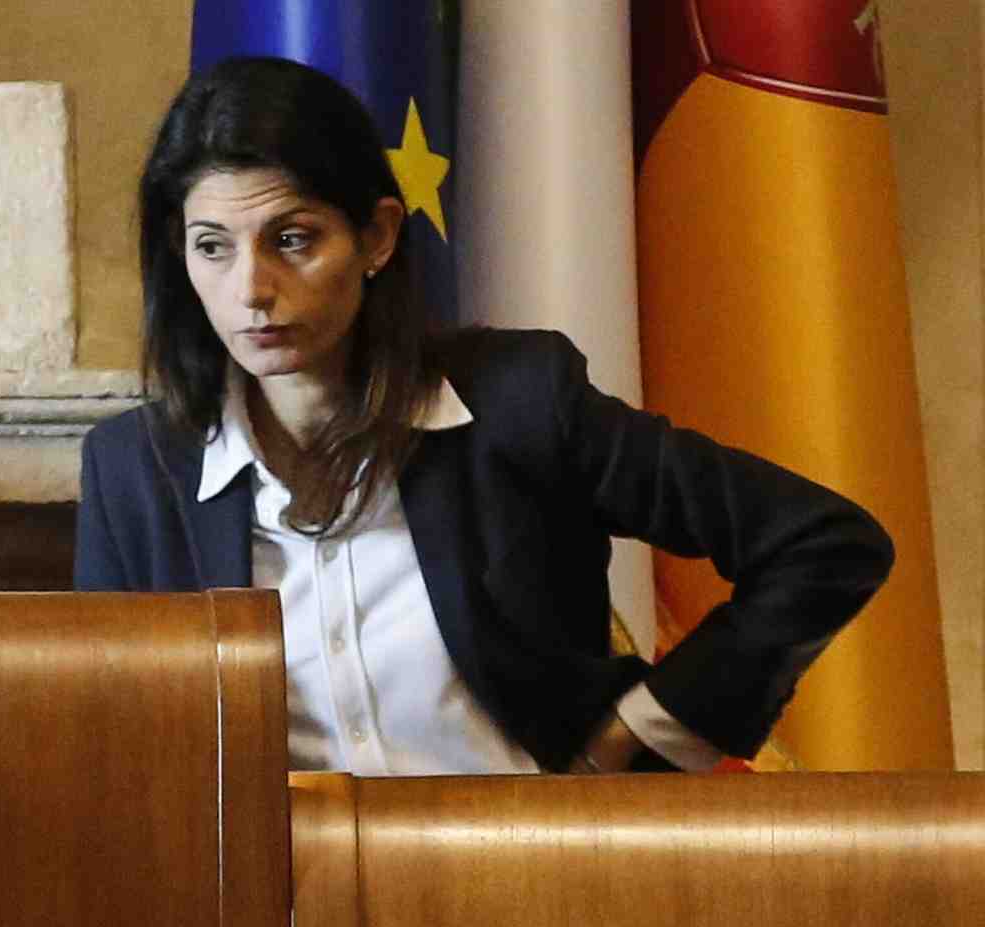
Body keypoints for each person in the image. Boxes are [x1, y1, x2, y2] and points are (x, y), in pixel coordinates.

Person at [74, 57, 893, 776]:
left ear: (377, 237)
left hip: (533, 875)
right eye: (212, 246)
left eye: (292, 240)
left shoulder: (518, 403)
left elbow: (824, 543)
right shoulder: (133, 470)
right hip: (281, 896)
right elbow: (120, 741)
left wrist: (640, 732)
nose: (251, 289)